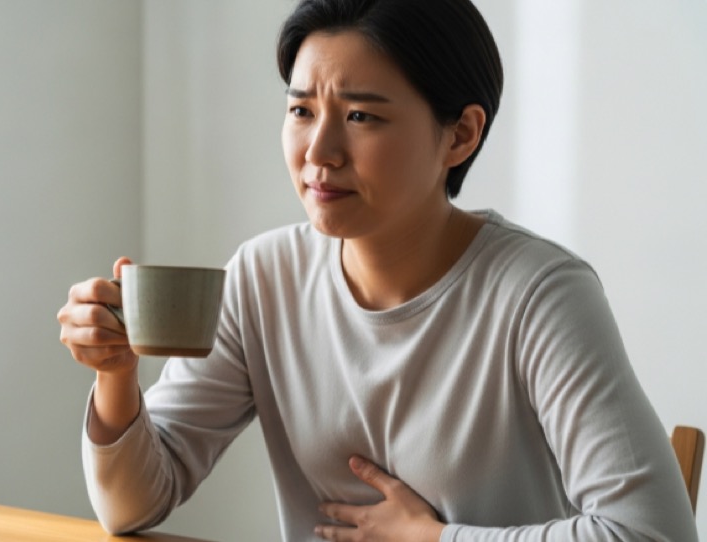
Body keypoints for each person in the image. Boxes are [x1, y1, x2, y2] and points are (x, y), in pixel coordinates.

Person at [56, 0, 699, 540]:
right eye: (302, 110)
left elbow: (650, 532)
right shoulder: (263, 278)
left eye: (361, 116)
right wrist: (117, 378)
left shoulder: (539, 294)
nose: (319, 151)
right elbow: (133, 505)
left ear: (460, 135)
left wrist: (441, 539)